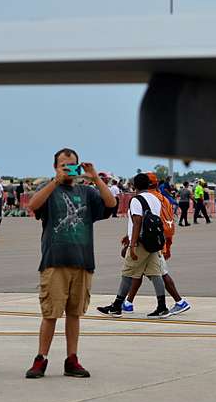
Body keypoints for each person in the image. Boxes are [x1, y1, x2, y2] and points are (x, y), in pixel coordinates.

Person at [23, 148, 117, 379]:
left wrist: (95, 178)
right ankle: (41, 358)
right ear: (55, 167)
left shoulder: (86, 192)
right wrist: (55, 181)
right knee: (51, 313)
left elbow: (111, 203)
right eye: (63, 165)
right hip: (55, 261)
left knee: (74, 314)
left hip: (82, 261)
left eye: (72, 165)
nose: (68, 169)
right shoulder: (49, 190)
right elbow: (33, 205)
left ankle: (71, 358)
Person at [97, 172, 169, 318]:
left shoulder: (136, 200)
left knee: (127, 273)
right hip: (153, 243)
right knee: (156, 274)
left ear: (134, 185)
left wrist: (132, 244)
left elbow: (137, 222)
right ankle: (162, 307)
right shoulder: (155, 199)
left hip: (140, 243)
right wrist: (128, 235)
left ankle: (116, 306)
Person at [122, 173, 192, 316]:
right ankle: (128, 303)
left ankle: (179, 302)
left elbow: (143, 223)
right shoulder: (161, 198)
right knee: (141, 272)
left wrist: (132, 242)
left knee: (159, 273)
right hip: (157, 240)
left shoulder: (147, 198)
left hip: (150, 241)